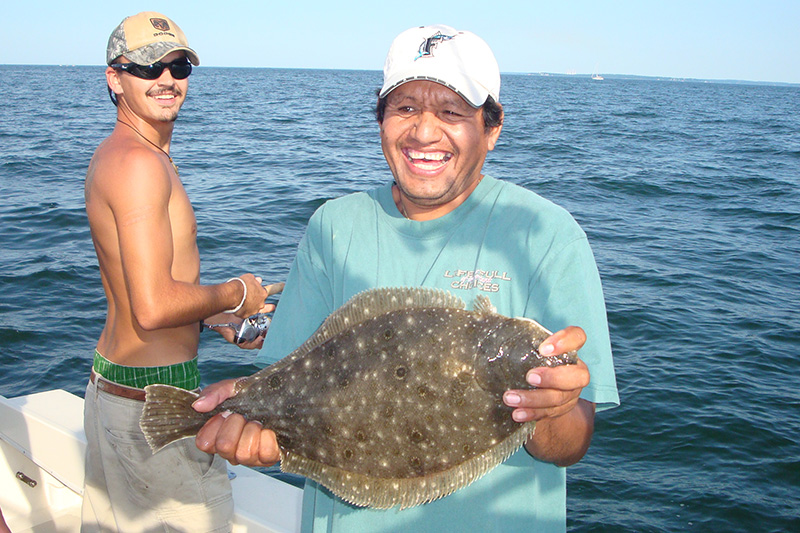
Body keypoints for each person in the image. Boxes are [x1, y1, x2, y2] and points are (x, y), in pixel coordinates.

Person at [194, 24, 619, 532]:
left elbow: (571, 445)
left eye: (452, 112)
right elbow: (289, 376)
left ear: (491, 128)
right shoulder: (334, 226)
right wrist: (247, 413)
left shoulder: (549, 235)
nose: (423, 132)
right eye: (405, 108)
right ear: (380, 120)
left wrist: (553, 407)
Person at [82, 11, 281, 532]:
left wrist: (217, 323)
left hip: (116, 389)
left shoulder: (124, 154)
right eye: (148, 68)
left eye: (179, 66)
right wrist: (236, 294)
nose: (167, 79)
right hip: (152, 404)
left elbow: (137, 297)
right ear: (114, 78)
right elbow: (151, 306)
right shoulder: (140, 165)